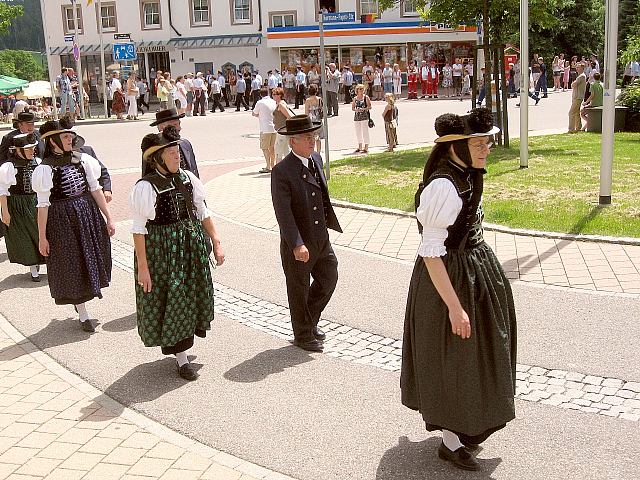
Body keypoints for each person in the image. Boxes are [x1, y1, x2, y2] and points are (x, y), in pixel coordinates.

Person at [401, 108, 516, 472]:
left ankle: (467, 428)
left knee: (476, 355)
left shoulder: (466, 174)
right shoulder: (444, 186)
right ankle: (452, 442)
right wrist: (454, 306)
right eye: (478, 143)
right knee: (455, 360)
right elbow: (431, 254)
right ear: (456, 147)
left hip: (472, 270)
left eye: (487, 142)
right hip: (447, 280)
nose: (486, 149)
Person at [131, 128, 225, 381]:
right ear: (157, 158)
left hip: (189, 248)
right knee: (175, 299)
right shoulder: (145, 188)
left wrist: (216, 240)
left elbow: (202, 210)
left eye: (177, 152)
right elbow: (139, 230)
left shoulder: (186, 178)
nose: (177, 157)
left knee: (191, 294)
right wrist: (143, 267)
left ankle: (183, 347)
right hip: (163, 252)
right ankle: (181, 358)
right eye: (172, 154)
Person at [32, 120, 115, 332]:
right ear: (53, 141)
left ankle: (87, 299)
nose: (71, 139)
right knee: (73, 264)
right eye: (66, 137)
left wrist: (109, 216)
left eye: (71, 136)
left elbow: (95, 189)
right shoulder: (45, 169)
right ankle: (83, 311)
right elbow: (43, 206)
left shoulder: (84, 159)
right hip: (61, 220)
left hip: (87, 214)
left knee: (91, 256)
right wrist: (42, 237)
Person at [271, 115, 343, 353]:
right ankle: (302, 334)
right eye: (307, 137)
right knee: (299, 288)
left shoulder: (316, 158)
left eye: (313, 136)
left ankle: (309, 321)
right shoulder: (282, 171)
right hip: (299, 241)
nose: (312, 141)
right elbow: (284, 213)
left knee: (329, 277)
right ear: (293, 142)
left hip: (321, 238)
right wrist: (296, 244)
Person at [0, 133, 45, 281]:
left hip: (35, 201)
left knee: (40, 232)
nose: (33, 151)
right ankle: (33, 269)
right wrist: (5, 212)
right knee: (26, 235)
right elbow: (2, 191)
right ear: (18, 150)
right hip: (17, 205)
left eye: (33, 148)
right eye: (28, 149)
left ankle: (43, 261)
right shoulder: (8, 166)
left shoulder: (38, 162)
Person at [58, 115, 113, 203]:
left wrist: (107, 190)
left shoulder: (87, 151)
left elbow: (103, 171)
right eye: (66, 137)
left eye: (71, 137)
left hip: (90, 198)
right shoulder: (56, 157)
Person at [143, 108, 200, 177]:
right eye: (175, 125)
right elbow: (147, 174)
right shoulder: (153, 149)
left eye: (179, 124)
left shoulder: (186, 144)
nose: (179, 128)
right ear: (162, 127)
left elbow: (194, 171)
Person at [252, 87, 277, 173]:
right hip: (274, 128)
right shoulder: (274, 102)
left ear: (260, 94)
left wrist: (259, 115)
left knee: (264, 148)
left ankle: (268, 166)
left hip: (265, 128)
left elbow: (254, 113)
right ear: (268, 93)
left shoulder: (260, 102)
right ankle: (273, 165)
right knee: (272, 148)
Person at [272, 87, 293, 164]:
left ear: (279, 95)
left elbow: (289, 117)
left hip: (282, 130)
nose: (273, 96)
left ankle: (279, 169)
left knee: (278, 151)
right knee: (286, 150)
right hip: (281, 130)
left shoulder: (281, 105)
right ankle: (288, 167)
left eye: (275, 94)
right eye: (273, 94)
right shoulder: (279, 104)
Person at [304, 84, 324, 154]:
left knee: (312, 137)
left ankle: (312, 152)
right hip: (318, 119)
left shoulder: (308, 100)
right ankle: (318, 152)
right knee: (318, 137)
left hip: (311, 120)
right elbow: (322, 109)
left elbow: (306, 113)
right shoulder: (319, 99)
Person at [351, 84, 371, 154]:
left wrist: (363, 109)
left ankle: (366, 146)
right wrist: (356, 110)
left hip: (364, 117)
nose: (361, 90)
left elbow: (369, 106)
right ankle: (360, 146)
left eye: (362, 89)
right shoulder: (355, 98)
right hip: (357, 117)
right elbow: (353, 108)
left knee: (365, 131)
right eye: (360, 89)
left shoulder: (366, 97)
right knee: (358, 132)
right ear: (357, 90)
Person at [568, 63, 586, 133]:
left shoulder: (581, 76)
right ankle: (578, 127)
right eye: (577, 67)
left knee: (571, 112)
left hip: (578, 97)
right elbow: (573, 85)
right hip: (576, 96)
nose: (577, 69)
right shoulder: (580, 76)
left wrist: (573, 83)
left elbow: (573, 85)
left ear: (582, 68)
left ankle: (571, 129)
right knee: (576, 113)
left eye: (578, 67)